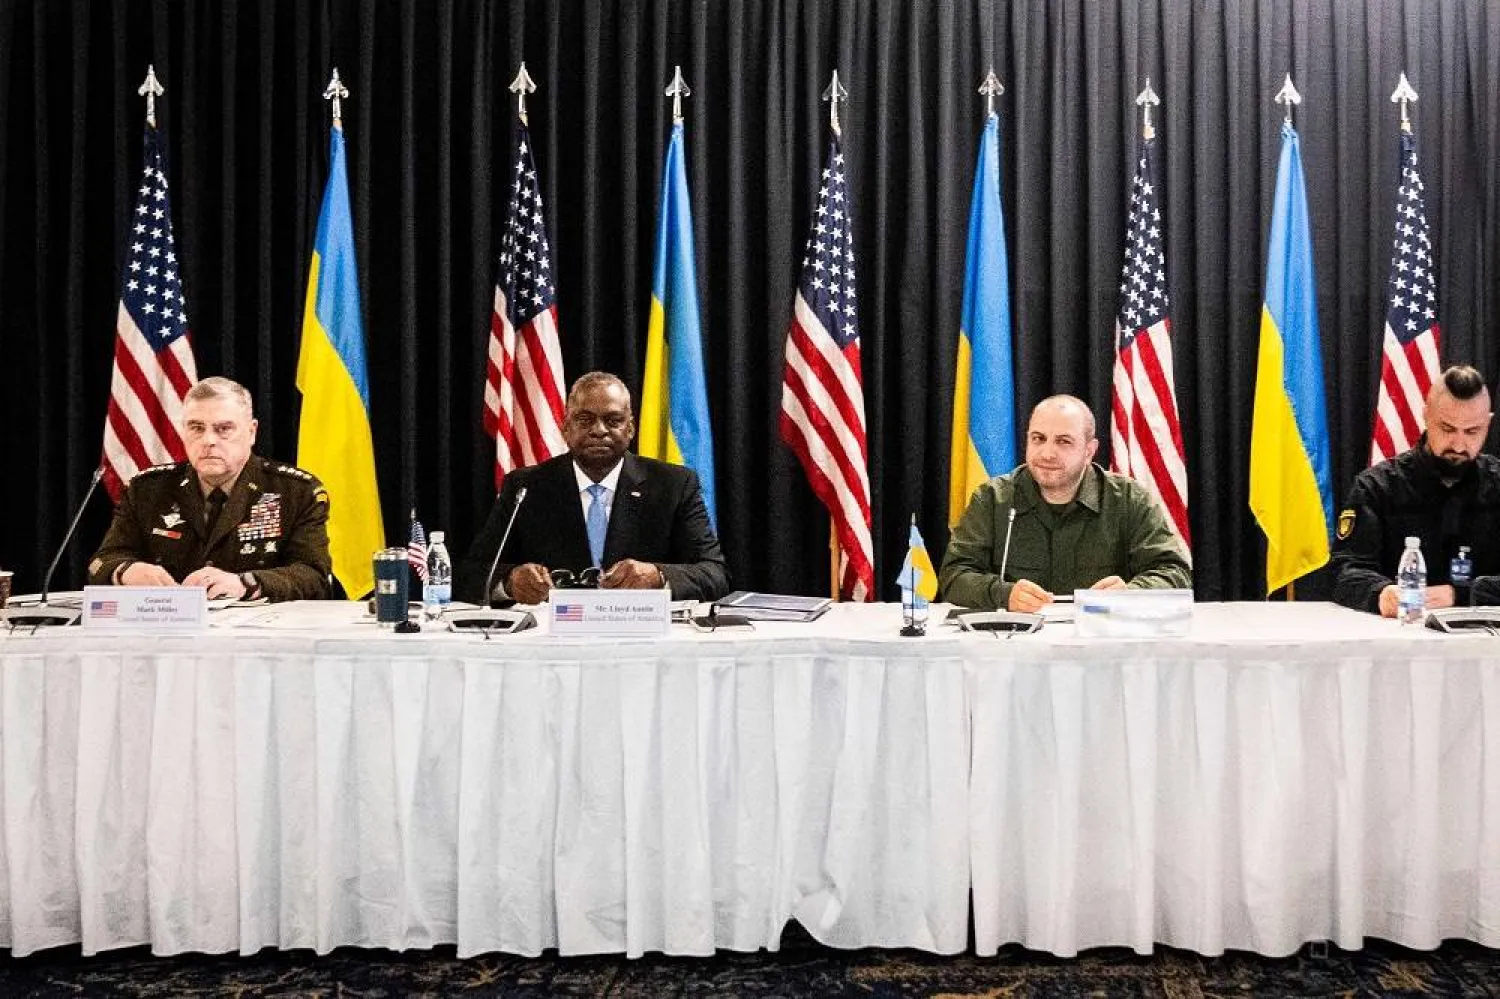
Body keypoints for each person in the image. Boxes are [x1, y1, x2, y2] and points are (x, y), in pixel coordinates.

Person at [457, 371, 730, 605]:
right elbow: (471, 573)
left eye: (613, 421)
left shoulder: (673, 485)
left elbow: (715, 574)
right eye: (585, 420)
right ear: (565, 427)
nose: (599, 431)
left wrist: (658, 576)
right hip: (554, 646)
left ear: (630, 428)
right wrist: (510, 582)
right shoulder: (526, 487)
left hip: (641, 643)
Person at [88, 376, 332, 601]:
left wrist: (246, 583)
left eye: (224, 429)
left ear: (251, 432)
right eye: (196, 428)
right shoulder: (147, 490)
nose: (208, 441)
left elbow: (314, 575)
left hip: (259, 637)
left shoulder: (295, 492)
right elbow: (101, 562)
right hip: (167, 632)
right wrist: (127, 571)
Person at [940, 394, 1192, 611]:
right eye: (1038, 438)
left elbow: (1175, 572)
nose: (1047, 453)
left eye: (1063, 441)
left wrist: (1130, 593)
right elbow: (953, 577)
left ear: (1089, 450)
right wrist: (1003, 594)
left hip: (1101, 648)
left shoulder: (1128, 500)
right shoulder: (992, 499)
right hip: (1016, 648)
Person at [1331, 364, 1500, 615]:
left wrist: (1462, 593)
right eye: (1447, 428)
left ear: (1488, 424)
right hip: (1396, 640)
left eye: (1472, 431)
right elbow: (1344, 573)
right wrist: (1380, 593)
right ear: (1426, 416)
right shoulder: (1377, 487)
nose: (1459, 444)